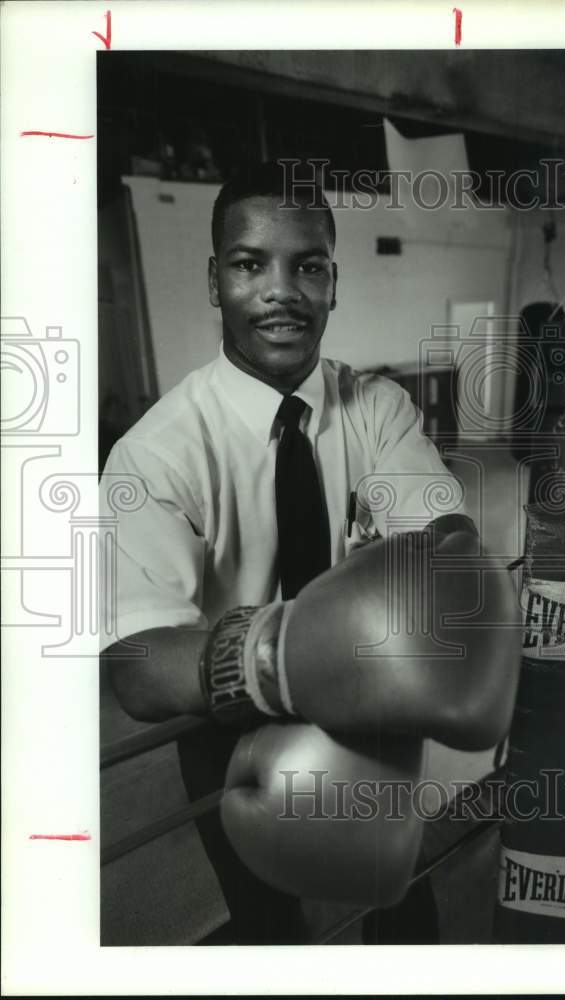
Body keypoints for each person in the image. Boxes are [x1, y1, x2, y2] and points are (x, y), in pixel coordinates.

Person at [100, 160, 481, 945]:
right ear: (215, 280)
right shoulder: (156, 454)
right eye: (249, 265)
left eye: (307, 265)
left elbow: (444, 543)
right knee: (269, 927)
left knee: (400, 905)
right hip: (230, 734)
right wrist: (300, 650)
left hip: (372, 717)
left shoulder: (375, 408)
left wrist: (444, 573)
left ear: (333, 282)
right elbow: (137, 665)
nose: (281, 290)